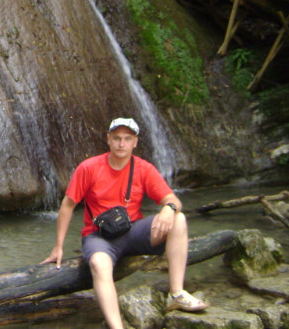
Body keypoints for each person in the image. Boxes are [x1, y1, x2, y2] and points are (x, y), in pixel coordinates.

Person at [41, 117, 208, 329]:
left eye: (127, 139)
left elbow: (173, 200)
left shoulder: (144, 168)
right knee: (99, 264)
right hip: (99, 237)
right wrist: (58, 246)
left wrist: (169, 208)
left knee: (179, 218)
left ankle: (176, 294)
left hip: (133, 231)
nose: (122, 144)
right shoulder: (89, 168)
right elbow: (67, 206)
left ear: (135, 142)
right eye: (117, 138)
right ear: (108, 139)